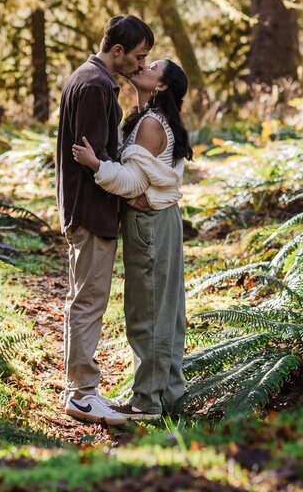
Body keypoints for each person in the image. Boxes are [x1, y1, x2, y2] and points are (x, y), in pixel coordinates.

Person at [72, 58, 192, 421]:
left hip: (150, 223)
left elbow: (133, 184)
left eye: (152, 66)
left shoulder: (152, 124)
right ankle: (169, 394)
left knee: (149, 311)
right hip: (161, 220)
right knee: (166, 309)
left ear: (162, 86)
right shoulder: (146, 119)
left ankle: (146, 403)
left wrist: (96, 165)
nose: (142, 65)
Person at [56, 14, 153, 426]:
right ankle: (82, 394)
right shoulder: (96, 87)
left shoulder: (87, 77)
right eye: (138, 56)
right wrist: (136, 188)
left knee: (84, 297)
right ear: (117, 51)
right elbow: (98, 158)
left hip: (82, 209)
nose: (141, 65)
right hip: (91, 212)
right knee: (89, 300)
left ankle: (81, 387)